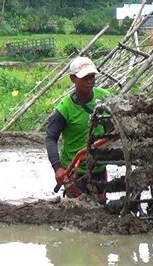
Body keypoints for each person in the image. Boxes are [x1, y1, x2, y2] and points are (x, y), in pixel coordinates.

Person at [45, 56, 112, 204]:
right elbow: (50, 138)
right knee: (78, 212)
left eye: (92, 76)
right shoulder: (65, 109)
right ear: (73, 79)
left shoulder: (105, 98)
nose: (90, 81)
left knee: (102, 211)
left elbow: (113, 127)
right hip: (75, 171)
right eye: (85, 77)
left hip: (99, 168)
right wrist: (57, 168)